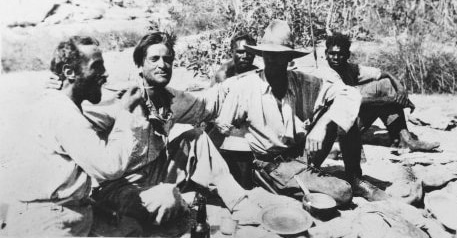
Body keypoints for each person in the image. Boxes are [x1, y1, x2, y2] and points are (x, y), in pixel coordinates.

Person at [76, 32, 253, 235]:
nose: (162, 65)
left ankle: (240, 203)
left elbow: (208, 104)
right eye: (154, 59)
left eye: (167, 59)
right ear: (140, 66)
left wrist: (246, 80)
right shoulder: (121, 97)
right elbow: (77, 119)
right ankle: (181, 203)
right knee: (166, 199)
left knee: (197, 137)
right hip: (120, 187)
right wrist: (61, 92)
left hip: (158, 171)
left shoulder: (173, 98)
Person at [214, 20, 386, 206]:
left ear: (289, 58)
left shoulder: (302, 81)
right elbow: (220, 125)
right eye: (268, 55)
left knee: (340, 112)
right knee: (342, 192)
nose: (272, 61)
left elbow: (349, 94)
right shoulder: (244, 86)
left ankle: (354, 177)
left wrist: (322, 124)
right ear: (261, 55)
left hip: (302, 154)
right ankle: (279, 185)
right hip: (273, 166)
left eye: (279, 56)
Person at [3, 36, 142, 236]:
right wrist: (125, 113)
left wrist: (94, 206)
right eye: (96, 66)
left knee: (131, 228)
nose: (104, 74)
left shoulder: (54, 104)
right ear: (69, 72)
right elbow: (110, 167)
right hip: (49, 224)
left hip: (56, 214)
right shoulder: (63, 114)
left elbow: (58, 180)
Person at [324, 33, 439, 151]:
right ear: (326, 54)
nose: (336, 58)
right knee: (384, 100)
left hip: (350, 120)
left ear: (347, 55)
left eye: (340, 54)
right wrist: (391, 100)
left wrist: (401, 91)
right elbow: (351, 101)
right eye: (332, 54)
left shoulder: (350, 69)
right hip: (333, 129)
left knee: (385, 85)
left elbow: (384, 74)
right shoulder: (325, 74)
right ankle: (402, 140)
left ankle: (405, 139)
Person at [208, 33, 259, 189]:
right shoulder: (223, 75)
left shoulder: (258, 74)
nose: (244, 56)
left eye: (249, 52)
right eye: (239, 52)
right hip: (222, 126)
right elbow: (211, 106)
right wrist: (216, 121)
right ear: (232, 52)